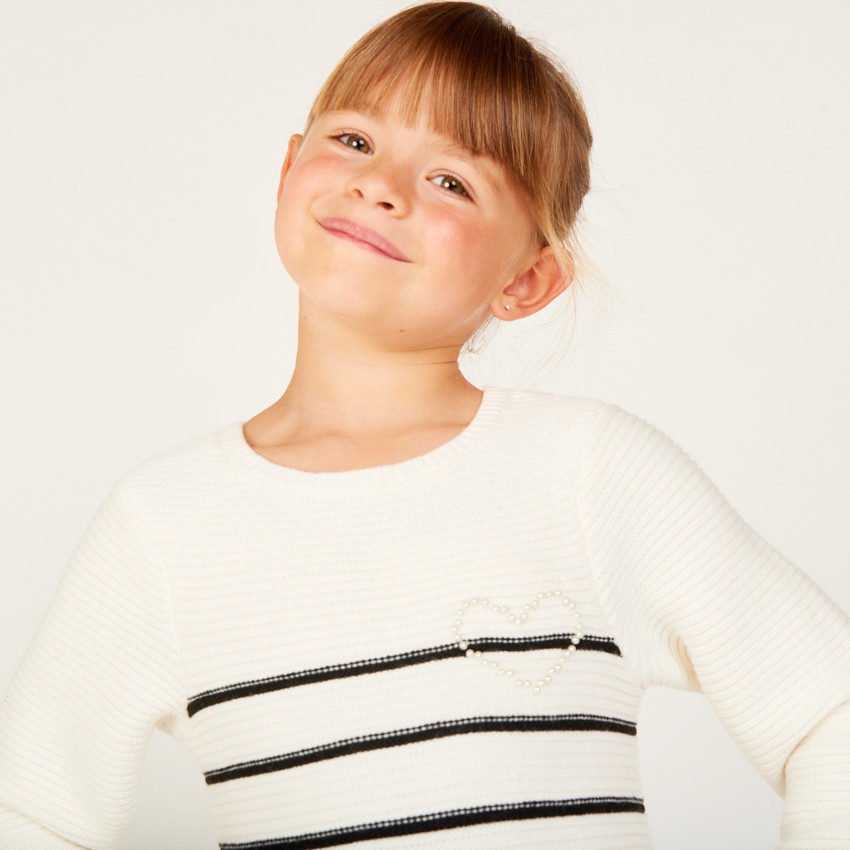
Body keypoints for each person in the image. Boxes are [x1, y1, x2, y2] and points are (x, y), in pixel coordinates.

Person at [1, 2, 848, 848]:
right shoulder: (163, 525)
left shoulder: (590, 473)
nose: (379, 186)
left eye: (451, 181)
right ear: (289, 167)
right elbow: (33, 814)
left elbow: (828, 714)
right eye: (356, 141)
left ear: (527, 280)